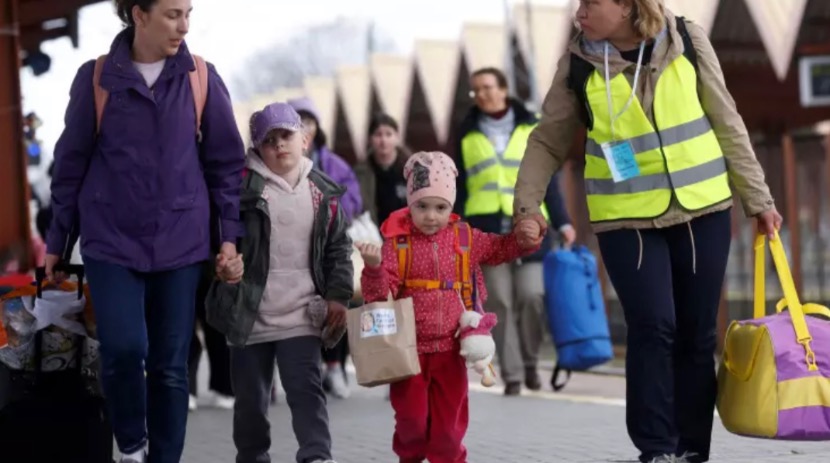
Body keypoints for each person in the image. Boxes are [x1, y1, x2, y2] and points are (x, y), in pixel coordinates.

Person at [511, 1, 781, 462]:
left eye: (590, 3)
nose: (579, 12)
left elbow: (726, 119)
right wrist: (526, 207)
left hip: (703, 207)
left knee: (697, 334)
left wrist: (759, 199)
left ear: (626, 6)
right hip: (626, 218)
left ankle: (693, 448)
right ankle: (656, 448)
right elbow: (547, 138)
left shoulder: (688, 41)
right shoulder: (578, 63)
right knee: (654, 325)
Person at [43, 1, 246, 462]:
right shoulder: (96, 79)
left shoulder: (201, 77)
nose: (184, 25)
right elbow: (70, 164)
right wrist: (58, 239)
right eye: (173, 13)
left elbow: (225, 165)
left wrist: (228, 237)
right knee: (123, 348)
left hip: (181, 240)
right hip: (111, 239)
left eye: (188, 13)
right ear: (139, 14)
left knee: (171, 367)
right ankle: (131, 444)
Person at [356, 151, 542, 463]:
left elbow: (500, 248)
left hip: (451, 353)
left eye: (440, 207)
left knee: (449, 431)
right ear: (410, 204)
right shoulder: (397, 245)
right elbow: (378, 297)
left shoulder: (465, 238)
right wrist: (373, 268)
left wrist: (526, 238)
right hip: (408, 354)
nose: (431, 216)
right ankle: (410, 457)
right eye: (422, 206)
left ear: (451, 206)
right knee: (411, 422)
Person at [206, 102, 351, 463]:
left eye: (286, 135)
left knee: (306, 390)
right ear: (256, 148)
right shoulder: (241, 192)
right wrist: (225, 265)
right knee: (251, 402)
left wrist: (338, 296)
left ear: (304, 138)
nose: (279, 145)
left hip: (302, 314)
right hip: (250, 315)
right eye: (268, 140)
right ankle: (253, 456)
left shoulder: (324, 194)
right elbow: (221, 239)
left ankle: (316, 455)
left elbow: (338, 249)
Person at [455, 66, 576, 396]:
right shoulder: (466, 134)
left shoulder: (531, 127)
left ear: (504, 88)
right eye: (476, 89)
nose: (482, 94)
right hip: (487, 232)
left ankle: (531, 362)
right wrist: (454, 227)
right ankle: (511, 375)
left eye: (488, 87)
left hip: (531, 225)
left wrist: (563, 221)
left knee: (532, 297)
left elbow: (548, 178)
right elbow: (461, 187)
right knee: (501, 303)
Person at [288, 96, 361, 399]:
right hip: (294, 247)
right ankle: (310, 368)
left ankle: (335, 367)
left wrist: (328, 211)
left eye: (310, 121)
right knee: (303, 308)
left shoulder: (333, 163)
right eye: (298, 121)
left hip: (330, 243)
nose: (305, 127)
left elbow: (354, 198)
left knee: (336, 302)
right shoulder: (280, 159)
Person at [187, 270, 234, 411]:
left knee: (218, 324)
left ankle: (225, 388)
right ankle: (185, 388)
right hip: (179, 258)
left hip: (215, 257)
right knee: (182, 326)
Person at [355, 113, 411, 225]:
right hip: (375, 236)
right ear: (370, 139)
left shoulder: (412, 169)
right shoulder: (360, 173)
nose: (383, 140)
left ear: (397, 137)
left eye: (388, 134)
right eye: (378, 135)